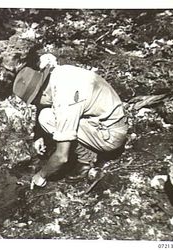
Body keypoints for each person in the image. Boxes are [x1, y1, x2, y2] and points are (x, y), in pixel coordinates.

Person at [12, 54, 128, 189]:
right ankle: (87, 151)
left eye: (35, 101)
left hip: (111, 135)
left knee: (46, 118)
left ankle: (85, 161)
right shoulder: (59, 73)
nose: (37, 105)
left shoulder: (65, 102)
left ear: (42, 93)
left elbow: (62, 157)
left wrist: (41, 175)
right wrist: (39, 136)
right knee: (45, 115)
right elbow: (46, 102)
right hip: (110, 117)